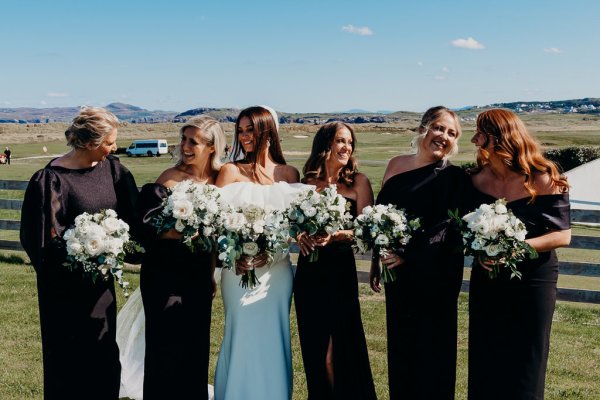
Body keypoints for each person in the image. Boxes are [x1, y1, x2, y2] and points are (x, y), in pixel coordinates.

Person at [19, 107, 139, 400]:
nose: (114, 147)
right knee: (69, 363)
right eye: (109, 142)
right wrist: (82, 254)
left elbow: (134, 219)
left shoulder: (113, 169)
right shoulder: (51, 180)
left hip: (101, 290)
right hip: (63, 293)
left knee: (104, 358)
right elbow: (40, 240)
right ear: (88, 142)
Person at [116, 115, 226, 400]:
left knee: (195, 344)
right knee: (164, 345)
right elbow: (146, 228)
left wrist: (211, 274)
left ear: (212, 147)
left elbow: (216, 237)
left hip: (199, 274)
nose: (185, 147)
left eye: (194, 142)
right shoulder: (169, 178)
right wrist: (181, 231)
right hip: (163, 273)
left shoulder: (219, 181)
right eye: (184, 139)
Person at [467, 109, 571, 400]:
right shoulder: (474, 180)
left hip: (534, 282)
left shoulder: (544, 176)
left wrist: (515, 248)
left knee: (527, 362)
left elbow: (562, 235)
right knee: (486, 359)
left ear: (500, 138)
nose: (475, 140)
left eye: (481, 134)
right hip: (487, 280)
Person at [369, 106, 468, 399]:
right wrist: (378, 258)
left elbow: (449, 227)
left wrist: (409, 255)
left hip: (436, 276)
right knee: (402, 348)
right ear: (423, 128)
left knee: (433, 354)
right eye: (439, 128)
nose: (444, 136)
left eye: (452, 133)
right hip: (398, 278)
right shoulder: (395, 165)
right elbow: (380, 215)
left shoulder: (455, 177)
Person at [214, 105, 304, 400]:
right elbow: (216, 223)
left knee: (272, 338)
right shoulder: (230, 171)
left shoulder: (289, 173)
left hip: (276, 272)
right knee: (241, 336)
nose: (244, 136)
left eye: (250, 129)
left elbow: (295, 226)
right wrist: (232, 256)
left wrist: (275, 251)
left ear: (268, 130)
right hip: (237, 271)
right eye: (240, 130)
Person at [294, 121, 377, 399]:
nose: (347, 147)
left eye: (350, 142)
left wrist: (339, 234)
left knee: (339, 350)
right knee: (317, 352)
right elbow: (293, 225)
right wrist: (300, 236)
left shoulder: (358, 182)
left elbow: (368, 229)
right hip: (309, 273)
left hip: (340, 273)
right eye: (341, 140)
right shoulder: (306, 183)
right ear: (325, 143)